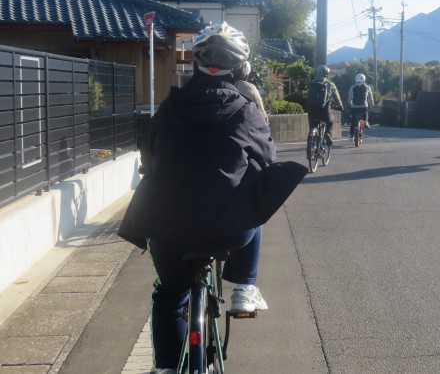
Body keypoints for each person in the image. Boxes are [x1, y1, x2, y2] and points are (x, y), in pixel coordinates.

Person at [117, 22, 306, 373]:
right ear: (241, 68)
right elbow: (267, 160)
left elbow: (148, 157)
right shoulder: (246, 109)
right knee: (256, 190)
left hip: (167, 230)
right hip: (230, 231)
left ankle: (166, 368)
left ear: (196, 64)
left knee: (171, 294)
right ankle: (244, 287)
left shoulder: (168, 108)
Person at [307, 65, 343, 146]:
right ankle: (327, 134)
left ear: (317, 72)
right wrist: (340, 106)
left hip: (312, 110)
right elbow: (337, 97)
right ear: (327, 74)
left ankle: (310, 144)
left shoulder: (312, 83)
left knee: (312, 126)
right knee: (331, 121)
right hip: (324, 110)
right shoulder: (330, 84)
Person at [348, 73, 374, 140]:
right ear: (364, 79)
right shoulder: (367, 87)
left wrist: (350, 103)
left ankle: (351, 136)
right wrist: (372, 103)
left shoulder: (352, 87)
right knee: (365, 113)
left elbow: (350, 97)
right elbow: (370, 97)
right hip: (363, 106)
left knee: (353, 121)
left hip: (354, 107)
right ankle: (366, 121)